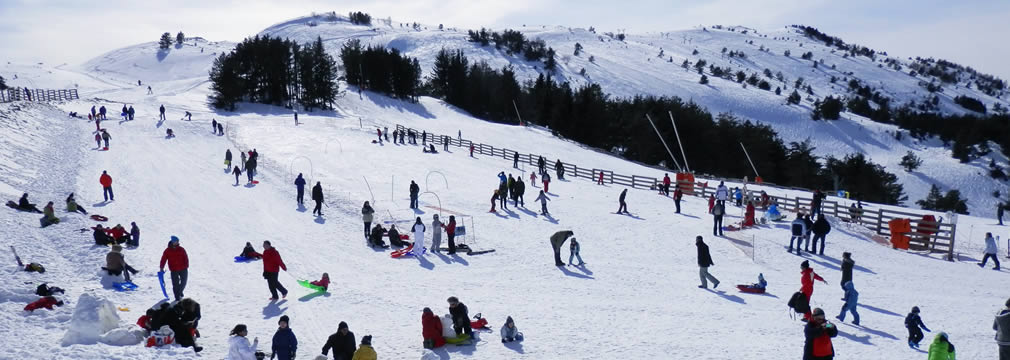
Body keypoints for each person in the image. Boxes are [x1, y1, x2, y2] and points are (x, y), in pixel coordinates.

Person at [159, 236, 189, 301]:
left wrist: (186, 266)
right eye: (175, 241)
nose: (176, 243)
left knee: (184, 282)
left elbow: (185, 257)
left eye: (177, 241)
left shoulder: (181, 249)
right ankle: (177, 297)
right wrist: (161, 267)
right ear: (172, 242)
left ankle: (180, 292)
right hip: (174, 269)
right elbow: (163, 259)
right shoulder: (167, 251)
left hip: (183, 268)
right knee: (175, 284)